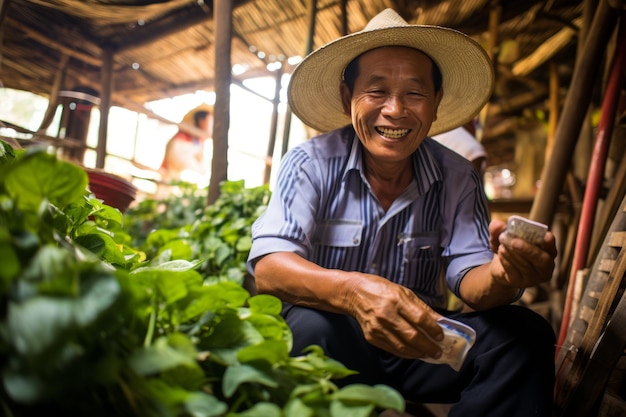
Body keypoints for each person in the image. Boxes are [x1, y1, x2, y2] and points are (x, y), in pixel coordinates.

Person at [247, 8, 557, 417]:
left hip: (420, 343)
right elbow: (269, 268)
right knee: (309, 326)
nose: (395, 110)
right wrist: (354, 294)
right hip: (333, 342)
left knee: (524, 335)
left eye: (414, 93)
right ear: (347, 98)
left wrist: (505, 274)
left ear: (435, 102)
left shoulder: (458, 175)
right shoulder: (310, 162)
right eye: (376, 91)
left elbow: (473, 283)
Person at [160, 103, 213, 184]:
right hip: (173, 179)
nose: (212, 124)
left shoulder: (199, 141)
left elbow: (200, 161)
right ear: (201, 120)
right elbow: (178, 161)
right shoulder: (182, 137)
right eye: (209, 121)